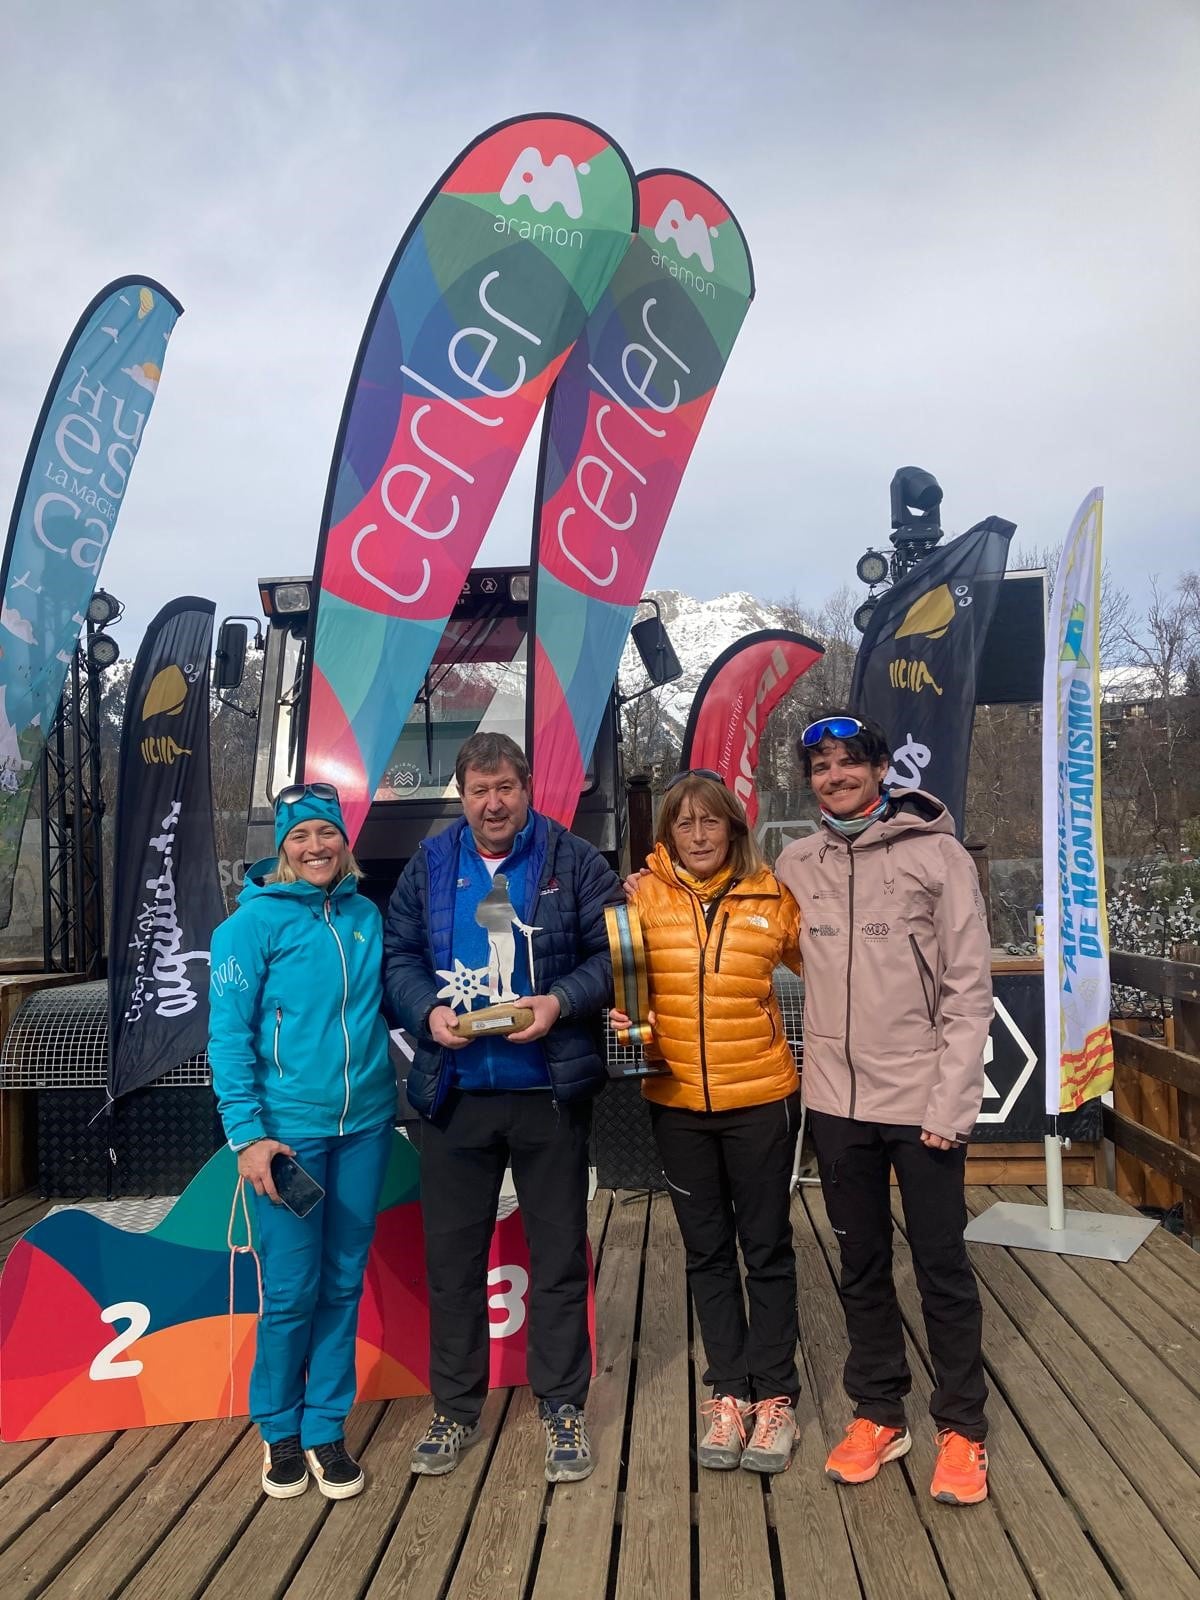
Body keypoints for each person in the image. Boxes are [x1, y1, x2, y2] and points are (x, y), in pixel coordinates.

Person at [383, 731, 622, 1483]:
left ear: (528, 790)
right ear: (462, 793)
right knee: (452, 1262)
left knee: (557, 1258)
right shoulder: (429, 864)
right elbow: (398, 959)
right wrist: (426, 1015)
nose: (494, 802)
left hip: (547, 1090)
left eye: (507, 788)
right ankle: (456, 1410)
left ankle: (561, 1406)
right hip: (455, 1095)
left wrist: (559, 1000)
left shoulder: (572, 859)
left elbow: (612, 954)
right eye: (480, 788)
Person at [775, 711, 993, 1506]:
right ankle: (880, 1411)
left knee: (941, 1265)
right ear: (810, 782)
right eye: (821, 768)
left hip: (922, 1098)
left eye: (848, 764)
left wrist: (951, 1101)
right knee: (859, 1264)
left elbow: (971, 991)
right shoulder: (796, 862)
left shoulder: (936, 855)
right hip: (836, 1102)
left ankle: (962, 1427)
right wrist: (643, 891)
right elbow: (731, 912)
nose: (835, 778)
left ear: (878, 769)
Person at [208, 783, 397, 1501]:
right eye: (301, 837)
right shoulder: (247, 928)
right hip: (288, 1138)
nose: (316, 848)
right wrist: (248, 1137)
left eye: (327, 834)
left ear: (343, 841)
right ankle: (278, 1429)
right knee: (290, 1291)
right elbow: (226, 1039)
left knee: (344, 1282)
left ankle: (325, 1427)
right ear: (281, 847)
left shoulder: (364, 915)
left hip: (368, 1125)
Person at [614, 770, 805, 1474]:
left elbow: (834, 966)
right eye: (685, 824)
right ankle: (728, 1390)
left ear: (733, 828)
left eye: (711, 822)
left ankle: (775, 1394)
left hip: (760, 1098)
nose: (698, 836)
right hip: (677, 1103)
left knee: (767, 1246)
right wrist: (625, 1019)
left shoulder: (773, 897)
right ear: (668, 834)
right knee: (706, 1251)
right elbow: (622, 986)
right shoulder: (642, 898)